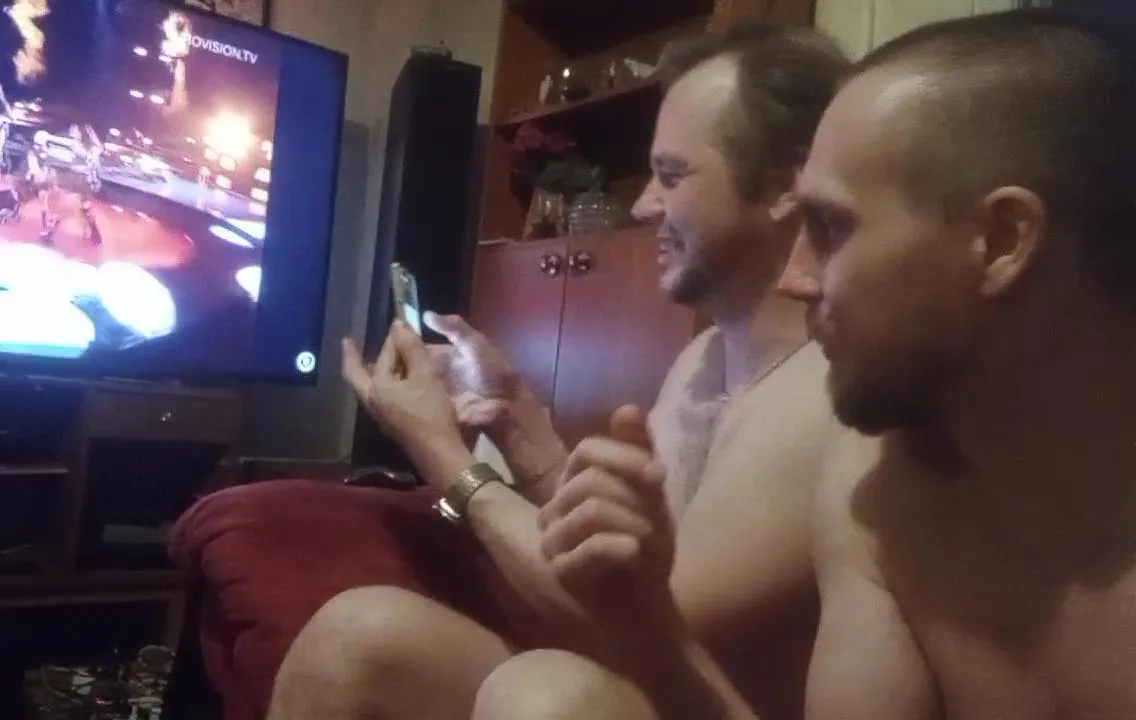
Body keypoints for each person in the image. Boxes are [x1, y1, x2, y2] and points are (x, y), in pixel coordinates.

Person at [471, 8, 1136, 719]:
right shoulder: (875, 489)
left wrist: (459, 472)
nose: (795, 278)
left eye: (831, 227)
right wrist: (642, 619)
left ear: (1001, 240)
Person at [268, 25, 852, 720]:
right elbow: (617, 553)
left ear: (785, 186)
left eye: (671, 177)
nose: (642, 205)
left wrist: (443, 455)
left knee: (544, 692)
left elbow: (640, 620)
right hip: (644, 689)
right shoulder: (703, 358)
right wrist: (516, 418)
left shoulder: (826, 394)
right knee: (355, 636)